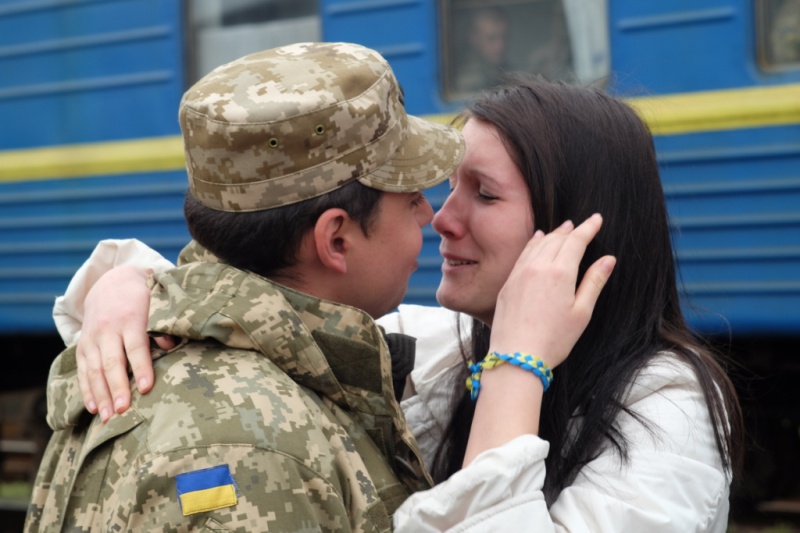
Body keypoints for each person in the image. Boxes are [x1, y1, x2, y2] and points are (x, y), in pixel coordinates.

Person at [48, 74, 743, 531]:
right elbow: (271, 309)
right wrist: (127, 286)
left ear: (577, 226)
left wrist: (516, 368)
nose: (443, 217)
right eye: (446, 186)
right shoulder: (450, 348)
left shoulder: (667, 410)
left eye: (484, 193)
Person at [25, 41, 472, 532]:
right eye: (411, 198)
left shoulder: (236, 380)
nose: (429, 215)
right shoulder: (250, 447)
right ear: (336, 239)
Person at [454, 7, 511, 94]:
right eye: (492, 39)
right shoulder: (467, 81)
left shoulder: (507, 71)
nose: (500, 46)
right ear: (473, 38)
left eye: (504, 37)